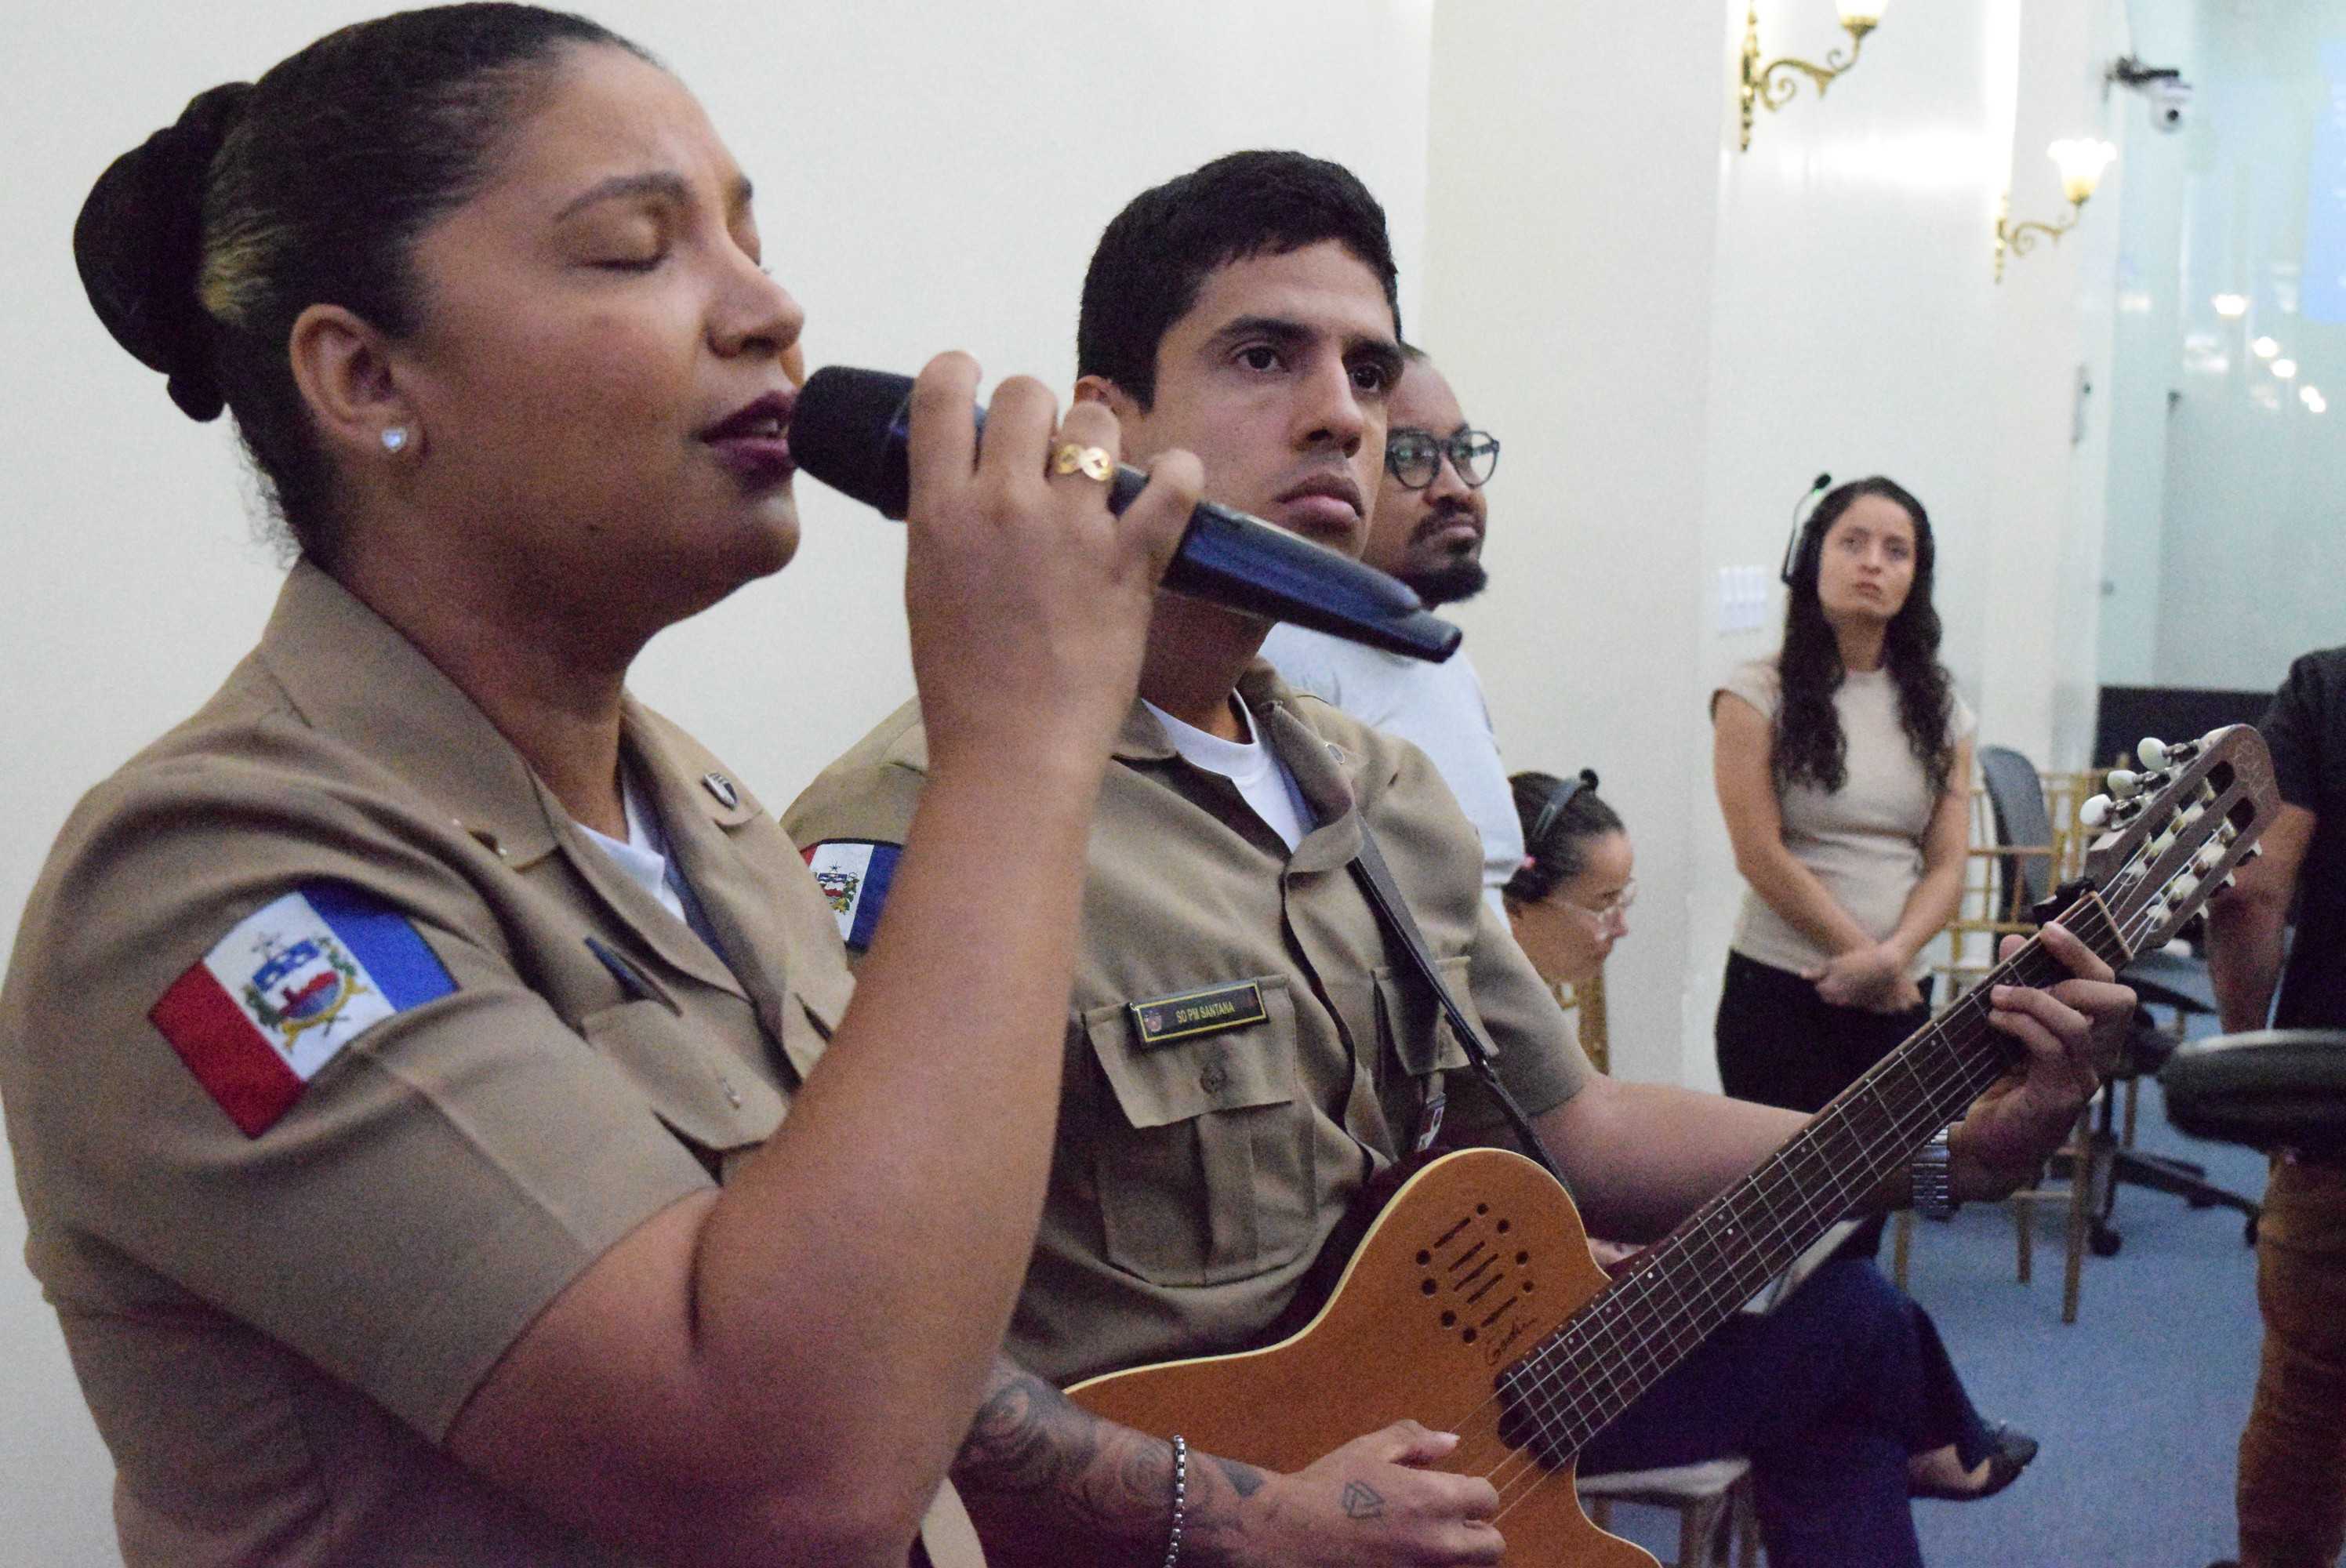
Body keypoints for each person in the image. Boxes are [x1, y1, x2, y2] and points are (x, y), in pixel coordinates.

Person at [785, 149, 2131, 1568]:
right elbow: (845, 1352)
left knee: (1846, 1352)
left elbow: (1579, 1128)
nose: (1340, 415)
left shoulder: (1379, 794)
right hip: (1136, 1533)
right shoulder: (929, 822)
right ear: (1105, 424)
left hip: (1415, 1453)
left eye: (1368, 373)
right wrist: (1250, 1519)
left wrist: (1954, 1152)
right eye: (1263, 356)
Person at [0, 8, 1203, 1566]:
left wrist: (1227, 1519)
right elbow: (787, 1469)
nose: (769, 308)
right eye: (637, 249)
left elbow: (897, 1311)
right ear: (366, 375)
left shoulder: (697, 811)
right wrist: (1023, 739)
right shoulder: (208, 889)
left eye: (749, 238)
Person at [1502, 771, 2039, 1520]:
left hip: (1555, 1329)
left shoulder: (1517, 1020)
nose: (1620, 926)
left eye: (1627, 900)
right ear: (1513, 902)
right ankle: (1946, 1440)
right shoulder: (1474, 1027)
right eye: (1601, 904)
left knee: (1844, 1354)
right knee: (1859, 1333)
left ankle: (1940, 1442)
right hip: (1510, 1382)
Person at [1712, 476, 1974, 1260]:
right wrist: (1864, 958)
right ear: (1811, 559)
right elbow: (1758, 852)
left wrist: (1893, 960)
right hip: (1782, 992)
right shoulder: (1753, 692)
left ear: (1916, 576)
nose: (1873, 563)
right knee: (1780, 1232)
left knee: (1862, 1225)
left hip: (1898, 997)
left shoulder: (1941, 708)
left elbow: (1947, 863)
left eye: (1896, 550)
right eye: (1852, 542)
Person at [1259, 349, 1520, 908]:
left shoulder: (1442, 656)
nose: (1456, 488)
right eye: (1411, 456)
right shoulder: (1288, 654)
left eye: (1462, 452)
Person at [2204, 645, 2346, 1568]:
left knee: (2310, 1389)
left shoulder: (2327, 689)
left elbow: (2249, 892)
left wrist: (2252, 1063)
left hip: (2333, 1106)